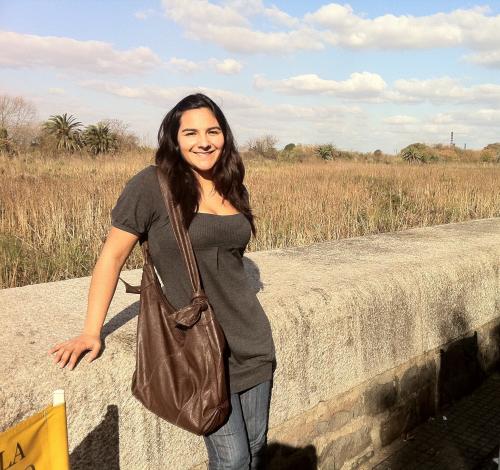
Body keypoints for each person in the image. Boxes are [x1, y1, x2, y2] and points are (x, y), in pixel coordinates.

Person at [48, 93, 277, 469]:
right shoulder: (153, 185)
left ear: (224, 135)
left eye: (213, 131)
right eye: (191, 133)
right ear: (174, 138)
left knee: (255, 448)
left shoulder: (232, 184)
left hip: (251, 339)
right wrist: (91, 331)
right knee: (233, 459)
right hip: (199, 347)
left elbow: (228, 261)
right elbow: (112, 257)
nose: (204, 142)